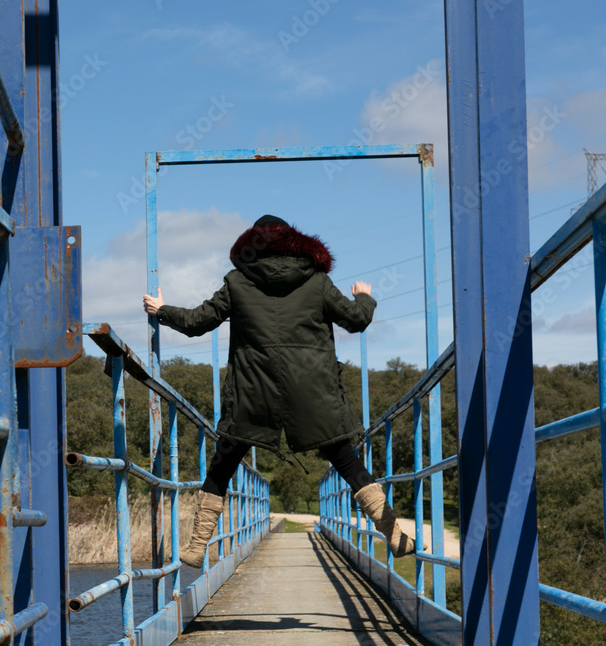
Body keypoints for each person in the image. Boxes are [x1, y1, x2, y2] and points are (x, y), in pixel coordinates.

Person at [142, 214, 415, 568]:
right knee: (348, 462)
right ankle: (394, 534)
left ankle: (196, 547)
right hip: (313, 393)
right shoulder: (317, 282)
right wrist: (365, 298)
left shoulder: (237, 282)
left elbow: (198, 322)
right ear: (296, 243)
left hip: (252, 393)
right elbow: (356, 320)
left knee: (221, 467)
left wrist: (163, 310)